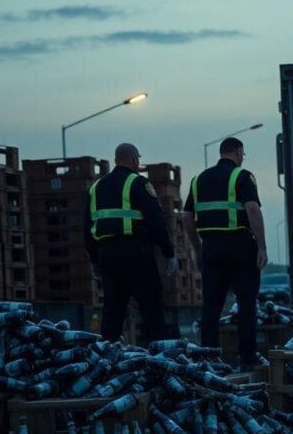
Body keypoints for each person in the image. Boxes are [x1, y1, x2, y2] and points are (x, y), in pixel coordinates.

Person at [182, 137, 268, 369]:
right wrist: (262, 246)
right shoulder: (242, 176)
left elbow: (187, 217)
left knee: (211, 304)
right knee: (246, 302)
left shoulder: (198, 180)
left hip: (211, 247)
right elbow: (252, 208)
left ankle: (209, 357)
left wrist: (197, 248)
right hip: (239, 245)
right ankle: (247, 358)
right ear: (239, 152)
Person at [84, 142, 177, 345]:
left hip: (106, 255)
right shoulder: (138, 183)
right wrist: (168, 252)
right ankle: (158, 357)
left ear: (116, 160)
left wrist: (94, 260)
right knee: (151, 307)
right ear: (134, 160)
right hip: (136, 253)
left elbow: (87, 227)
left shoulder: (96, 188)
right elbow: (156, 220)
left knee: (113, 310)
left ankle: (107, 359)